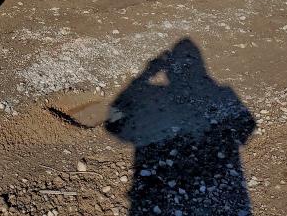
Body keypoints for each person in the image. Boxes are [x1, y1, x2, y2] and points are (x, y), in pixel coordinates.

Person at [106, 38, 255, 215]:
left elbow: (113, 124)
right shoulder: (222, 93)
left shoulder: (161, 95)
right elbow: (247, 126)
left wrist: (145, 74)